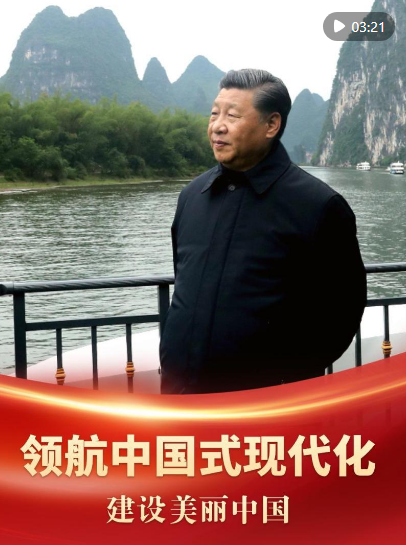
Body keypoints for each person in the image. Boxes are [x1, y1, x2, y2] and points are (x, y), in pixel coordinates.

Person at [159, 68, 366, 394]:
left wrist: (286, 380)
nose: (218, 126)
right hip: (179, 397)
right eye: (214, 114)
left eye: (232, 116)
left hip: (269, 404)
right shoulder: (192, 196)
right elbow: (183, 279)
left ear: (271, 125)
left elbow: (343, 312)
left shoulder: (318, 206)